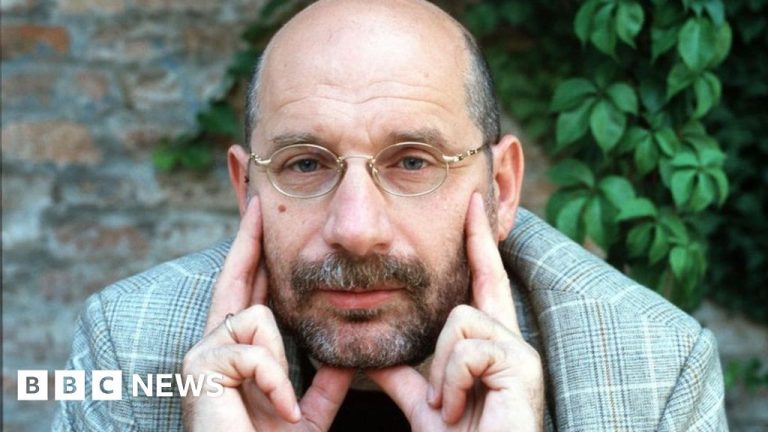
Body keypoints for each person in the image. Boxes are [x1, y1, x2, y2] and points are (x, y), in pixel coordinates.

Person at [54, 0, 727, 430]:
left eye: (412, 161)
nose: (355, 229)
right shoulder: (131, 345)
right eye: (305, 164)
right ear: (246, 189)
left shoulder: (652, 366)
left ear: (501, 187)